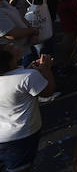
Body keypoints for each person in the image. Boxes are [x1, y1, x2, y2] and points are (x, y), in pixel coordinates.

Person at [0, 44, 55, 172]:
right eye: (10, 48)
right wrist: (46, 69)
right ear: (7, 59)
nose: (13, 45)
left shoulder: (25, 74)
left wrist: (29, 69)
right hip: (21, 136)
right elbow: (48, 91)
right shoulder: (28, 76)